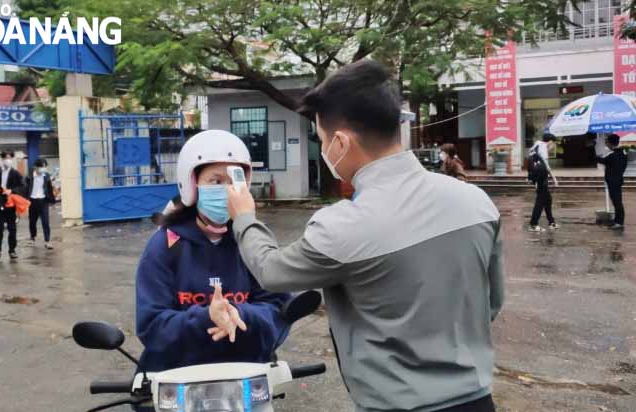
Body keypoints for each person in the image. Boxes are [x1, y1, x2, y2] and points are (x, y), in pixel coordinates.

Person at [227, 60, 504, 412]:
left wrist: (244, 217)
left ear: (340, 142)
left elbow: (271, 271)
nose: (324, 148)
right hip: (478, 401)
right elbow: (491, 303)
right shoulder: (476, 202)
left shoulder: (342, 227)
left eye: (322, 139)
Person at [135, 130, 291, 374]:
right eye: (216, 181)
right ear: (192, 184)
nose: (226, 190)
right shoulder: (164, 245)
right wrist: (207, 317)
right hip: (180, 375)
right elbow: (151, 325)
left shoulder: (253, 241)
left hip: (245, 374)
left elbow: (278, 310)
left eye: (233, 180)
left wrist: (239, 314)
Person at [0, 150, 24, 260]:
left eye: (10, 158)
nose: (8, 160)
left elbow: (23, 187)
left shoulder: (15, 174)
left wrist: (12, 191)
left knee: (12, 228)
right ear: (2, 159)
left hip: (11, 204)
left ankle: (12, 250)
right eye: (6, 158)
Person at [528, 133, 559, 232]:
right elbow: (545, 165)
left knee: (548, 199)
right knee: (541, 201)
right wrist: (554, 178)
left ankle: (551, 222)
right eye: (553, 144)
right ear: (550, 141)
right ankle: (533, 224)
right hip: (540, 177)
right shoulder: (543, 147)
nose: (553, 146)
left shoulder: (536, 145)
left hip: (536, 176)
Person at [596, 133, 628, 230]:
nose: (606, 144)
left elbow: (602, 160)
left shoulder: (614, 155)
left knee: (617, 202)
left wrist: (593, 152)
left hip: (614, 181)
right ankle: (617, 221)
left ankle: (619, 222)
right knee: (616, 202)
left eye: (606, 142)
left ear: (610, 143)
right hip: (616, 180)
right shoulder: (621, 153)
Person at [25, 158, 56, 249]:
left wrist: (52, 201)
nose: (44, 168)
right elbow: (25, 189)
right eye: (42, 167)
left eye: (45, 166)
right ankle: (32, 238)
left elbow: (50, 189)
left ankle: (47, 241)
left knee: (45, 222)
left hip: (43, 201)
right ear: (36, 167)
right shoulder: (29, 177)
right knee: (32, 222)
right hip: (32, 201)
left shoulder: (46, 176)